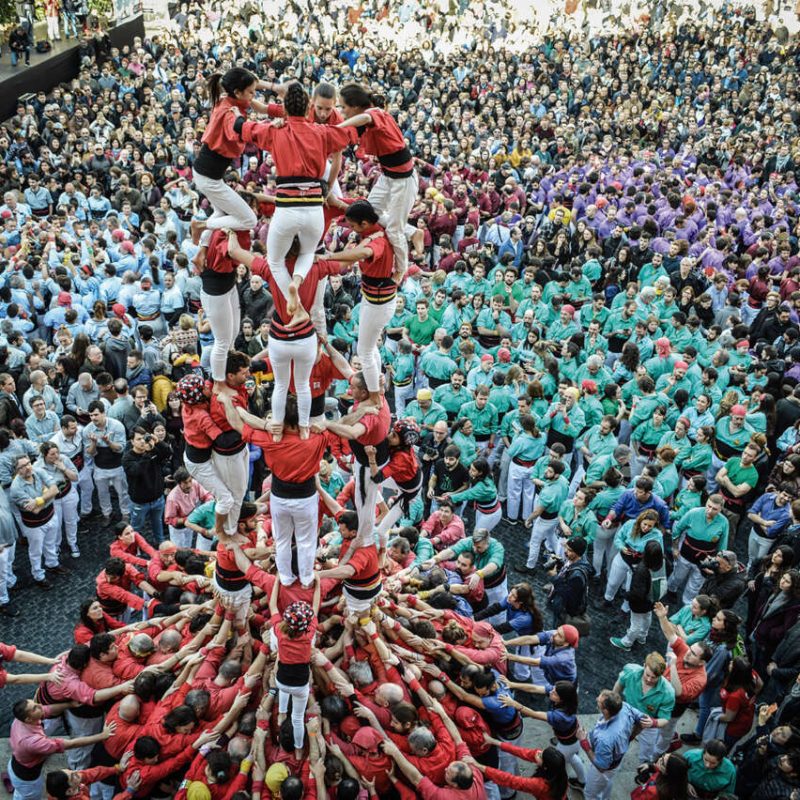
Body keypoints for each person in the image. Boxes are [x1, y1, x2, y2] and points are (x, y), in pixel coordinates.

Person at [234, 82, 356, 328]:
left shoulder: (275, 130)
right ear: (309, 106)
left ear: (285, 110)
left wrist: (234, 112)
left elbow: (242, 128)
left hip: (287, 208)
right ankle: (297, 282)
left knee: (275, 262)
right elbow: (351, 134)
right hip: (313, 210)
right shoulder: (322, 132)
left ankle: (297, 304)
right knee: (309, 252)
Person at [338, 84, 420, 276]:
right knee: (370, 211)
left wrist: (339, 125)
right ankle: (412, 232)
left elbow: (366, 117)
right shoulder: (367, 119)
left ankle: (401, 270)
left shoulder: (375, 113)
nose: (342, 111)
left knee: (393, 230)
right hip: (388, 175)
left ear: (356, 106)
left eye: (344, 107)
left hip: (404, 181)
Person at [578, 689, 652, 800]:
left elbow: (602, 767)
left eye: (599, 701)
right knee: (607, 782)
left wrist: (584, 742)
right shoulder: (624, 706)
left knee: (589, 794)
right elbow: (644, 719)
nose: (596, 699)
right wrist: (631, 736)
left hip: (604, 769)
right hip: (616, 761)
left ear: (606, 711)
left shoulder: (605, 739)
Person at [83, 400, 128, 526]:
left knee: (123, 492)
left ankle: (125, 513)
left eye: (96, 415)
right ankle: (107, 514)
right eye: (91, 415)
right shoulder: (87, 430)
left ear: (104, 413)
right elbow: (89, 453)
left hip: (117, 465)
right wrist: (93, 443)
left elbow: (120, 449)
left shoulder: (117, 426)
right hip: (100, 466)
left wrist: (108, 442)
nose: (93, 418)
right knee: (102, 493)